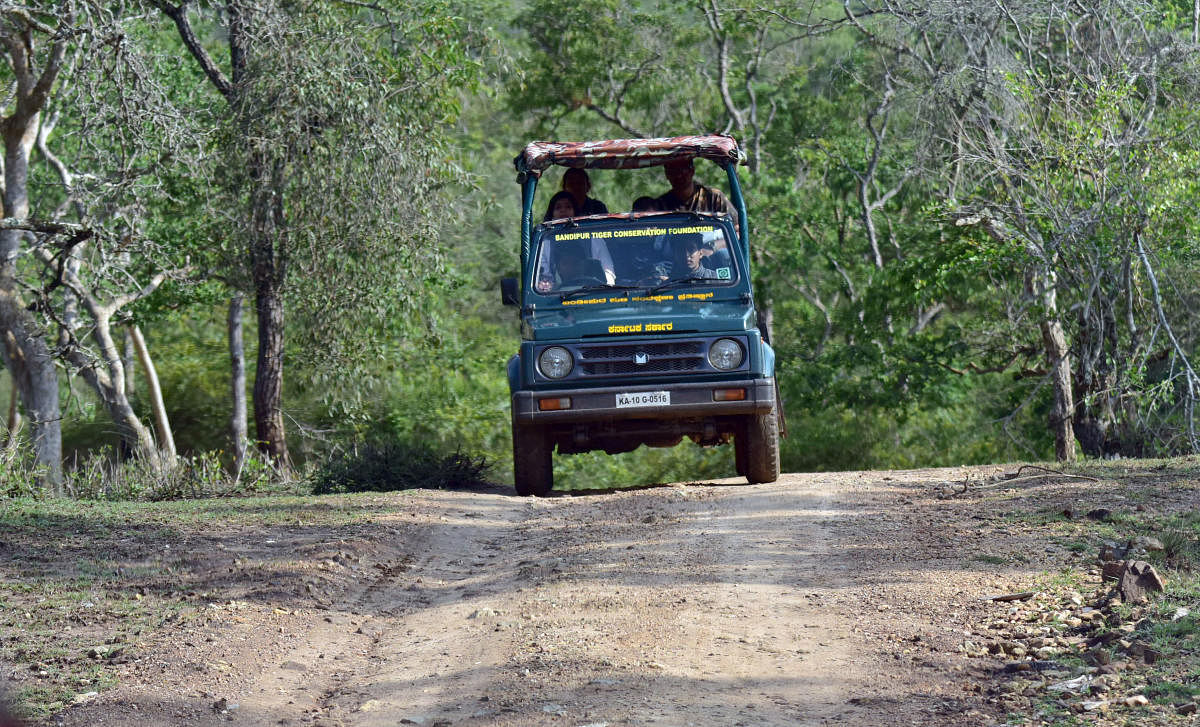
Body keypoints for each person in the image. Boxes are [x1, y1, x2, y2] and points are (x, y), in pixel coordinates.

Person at [656, 158, 738, 226]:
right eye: (673, 171)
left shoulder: (713, 198)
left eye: (683, 170)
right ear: (667, 175)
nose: (678, 175)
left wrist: (715, 244)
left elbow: (736, 228)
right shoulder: (662, 204)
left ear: (692, 171)